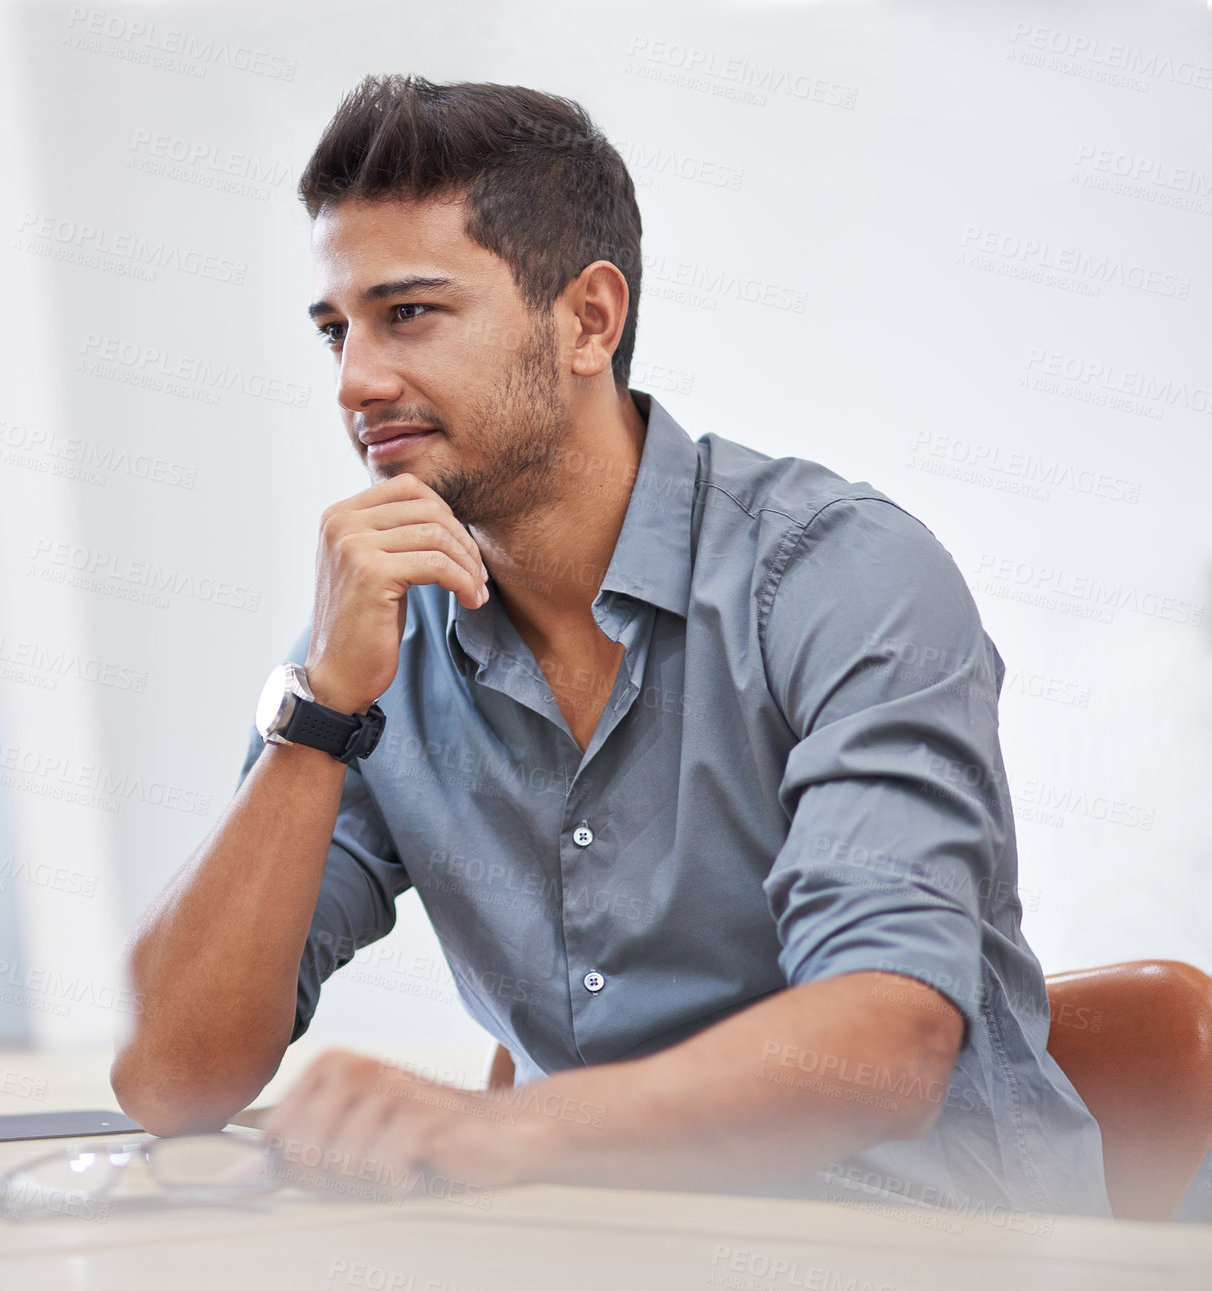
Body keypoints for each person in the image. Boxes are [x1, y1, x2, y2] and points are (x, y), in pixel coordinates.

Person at [111, 74, 1111, 1218]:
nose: (355, 383)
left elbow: (880, 1042)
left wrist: (500, 1127)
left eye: (410, 314)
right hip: (609, 1247)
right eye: (336, 330)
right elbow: (171, 1077)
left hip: (928, 1248)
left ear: (588, 318)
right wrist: (318, 709)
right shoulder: (381, 639)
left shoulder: (842, 578)